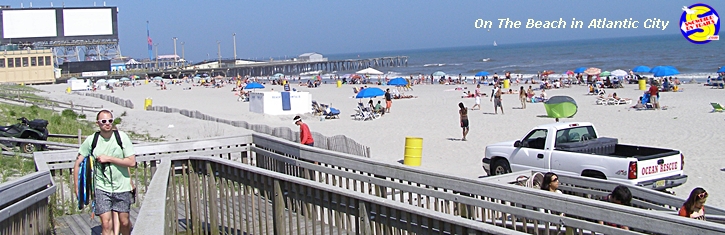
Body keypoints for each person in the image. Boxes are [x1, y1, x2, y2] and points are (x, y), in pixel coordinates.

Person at [74, 110, 136, 235]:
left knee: (124, 222)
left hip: (122, 187)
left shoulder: (121, 137)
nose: (107, 124)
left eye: (110, 121)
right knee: (106, 224)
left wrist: (109, 159)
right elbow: (78, 163)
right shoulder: (92, 140)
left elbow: (131, 162)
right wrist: (77, 188)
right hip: (102, 187)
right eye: (104, 121)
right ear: (98, 123)